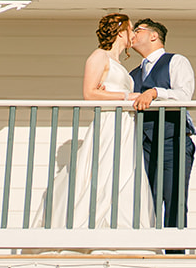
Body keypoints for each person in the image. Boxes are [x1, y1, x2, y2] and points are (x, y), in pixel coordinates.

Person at [34, 13, 146, 230]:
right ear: (121, 31)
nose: (133, 34)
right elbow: (89, 93)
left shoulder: (117, 62)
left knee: (123, 173)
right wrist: (126, 97)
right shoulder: (99, 57)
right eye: (131, 29)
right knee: (103, 169)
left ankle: (119, 227)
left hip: (125, 124)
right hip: (108, 123)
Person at [129, 18, 196, 233]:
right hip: (143, 144)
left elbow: (184, 96)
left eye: (137, 30)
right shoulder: (133, 74)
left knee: (173, 198)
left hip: (172, 141)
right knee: (145, 200)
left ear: (153, 36)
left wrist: (156, 92)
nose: (132, 35)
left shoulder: (176, 61)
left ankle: (175, 254)